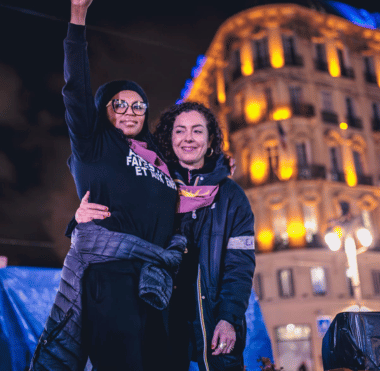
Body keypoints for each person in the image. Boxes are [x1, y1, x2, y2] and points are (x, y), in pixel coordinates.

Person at [29, 0, 184, 371]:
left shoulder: (160, 160)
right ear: (104, 109)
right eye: (121, 103)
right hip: (112, 275)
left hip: (156, 278)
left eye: (139, 105)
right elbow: (75, 90)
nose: (131, 111)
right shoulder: (95, 145)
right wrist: (78, 17)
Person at [76, 102, 257, 371]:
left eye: (197, 131)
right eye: (180, 131)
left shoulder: (232, 197)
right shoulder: (154, 185)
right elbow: (117, 220)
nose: (188, 138)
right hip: (158, 312)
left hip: (212, 316)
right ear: (169, 139)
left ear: (210, 141)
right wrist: (79, 217)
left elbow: (240, 266)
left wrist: (228, 318)